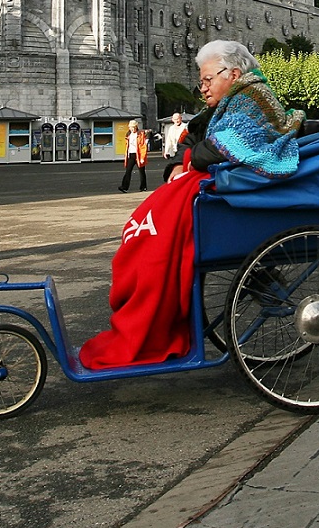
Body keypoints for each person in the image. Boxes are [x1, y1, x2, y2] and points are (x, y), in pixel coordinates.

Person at [81, 41, 302, 369]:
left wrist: (189, 160)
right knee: (146, 231)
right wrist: (179, 164)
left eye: (207, 80)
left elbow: (224, 147)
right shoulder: (230, 100)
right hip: (217, 192)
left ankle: (146, 323)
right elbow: (196, 138)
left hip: (232, 199)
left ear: (234, 73)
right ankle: (142, 310)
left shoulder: (252, 98)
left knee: (151, 240)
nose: (203, 88)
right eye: (201, 82)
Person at [117, 121, 149, 191]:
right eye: (131, 127)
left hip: (138, 155)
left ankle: (143, 187)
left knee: (142, 172)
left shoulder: (140, 134)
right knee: (128, 171)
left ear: (136, 127)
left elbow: (143, 146)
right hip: (130, 154)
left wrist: (142, 157)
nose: (132, 129)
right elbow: (127, 146)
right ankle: (124, 187)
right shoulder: (128, 134)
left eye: (133, 127)